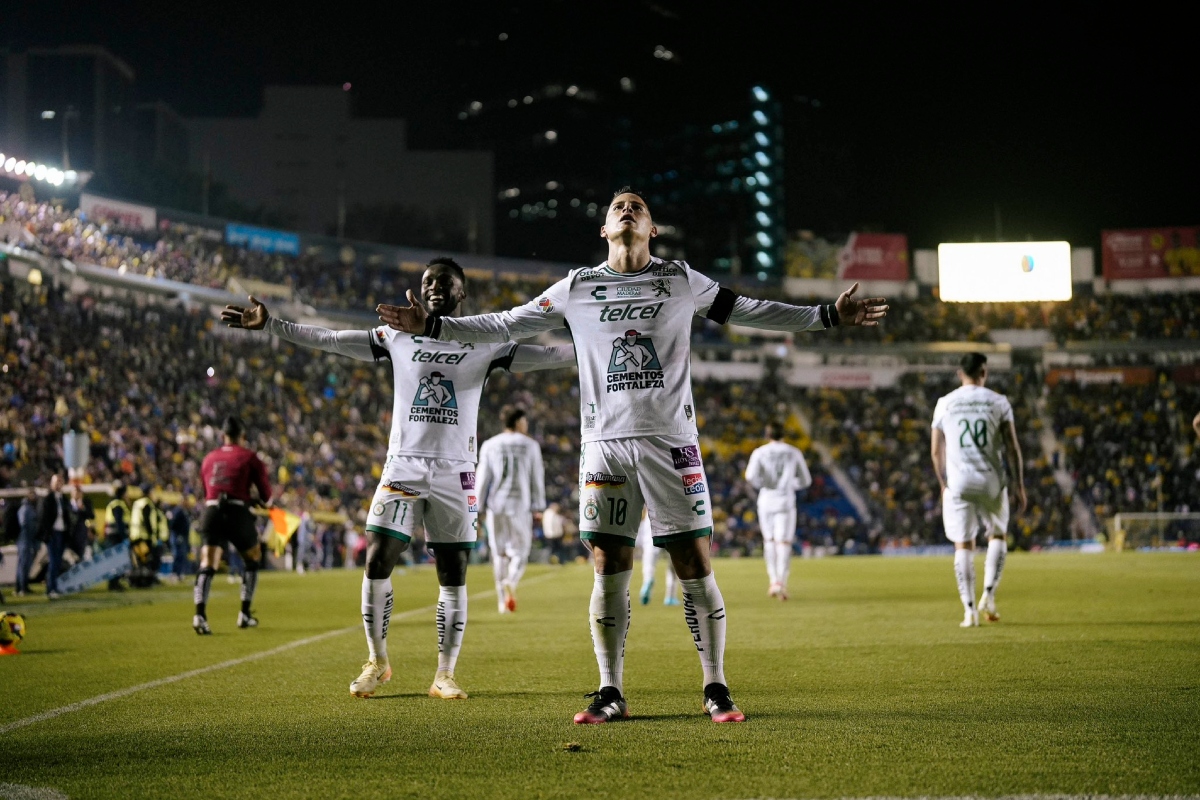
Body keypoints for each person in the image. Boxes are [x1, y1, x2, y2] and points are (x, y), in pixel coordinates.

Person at [378, 188, 888, 724]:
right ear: (603, 229)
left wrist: (826, 315)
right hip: (604, 448)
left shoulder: (680, 279)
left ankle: (715, 685)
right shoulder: (578, 286)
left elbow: (750, 310)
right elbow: (508, 322)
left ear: (652, 229)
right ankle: (609, 690)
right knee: (608, 567)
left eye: (638, 207)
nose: (627, 210)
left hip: (671, 443)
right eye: (618, 207)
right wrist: (435, 327)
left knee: (693, 562)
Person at [222, 256, 575, 701]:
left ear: (461, 292)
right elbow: (331, 339)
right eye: (428, 281)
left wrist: (599, 341)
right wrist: (274, 325)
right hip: (404, 464)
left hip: (456, 471)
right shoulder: (397, 335)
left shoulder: (488, 341)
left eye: (445, 282)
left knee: (453, 572)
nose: (434, 288)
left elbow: (548, 356)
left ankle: (444, 674)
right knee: (377, 558)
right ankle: (377, 661)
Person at [930, 352, 1026, 627]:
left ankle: (969, 611)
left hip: (958, 482)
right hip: (992, 481)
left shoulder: (945, 403)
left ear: (960, 373)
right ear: (984, 372)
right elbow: (1012, 447)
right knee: (997, 536)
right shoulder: (998, 402)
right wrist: (1019, 484)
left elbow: (936, 450)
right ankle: (989, 595)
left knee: (963, 544)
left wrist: (942, 484)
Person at [195, 416, 273, 634]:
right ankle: (244, 614)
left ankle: (199, 616)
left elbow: (207, 492)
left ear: (223, 436)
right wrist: (255, 499)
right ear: (243, 436)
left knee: (207, 563)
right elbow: (267, 495)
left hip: (211, 511)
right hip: (237, 512)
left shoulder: (208, 458)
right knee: (253, 558)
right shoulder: (249, 457)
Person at [476, 405, 546, 614]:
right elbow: (536, 476)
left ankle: (501, 602)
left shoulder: (490, 444)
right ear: (518, 422)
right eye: (524, 421)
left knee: (499, 554)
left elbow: (482, 477)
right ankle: (511, 582)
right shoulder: (530, 445)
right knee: (520, 553)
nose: (527, 425)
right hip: (520, 505)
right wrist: (538, 505)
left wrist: (477, 505)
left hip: (496, 505)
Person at [744, 422, 812, 601]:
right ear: (784, 434)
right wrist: (791, 485)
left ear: (767, 435)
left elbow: (750, 477)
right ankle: (781, 581)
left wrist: (764, 485)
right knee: (784, 542)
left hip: (766, 499)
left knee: (769, 541)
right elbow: (806, 480)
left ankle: (773, 580)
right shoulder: (793, 452)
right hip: (785, 501)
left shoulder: (759, 452)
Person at [37, 472, 74, 599]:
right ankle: (50, 588)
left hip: (62, 533)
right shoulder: (48, 499)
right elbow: (44, 518)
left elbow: (67, 516)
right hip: (53, 534)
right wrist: (46, 534)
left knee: (57, 562)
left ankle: (55, 587)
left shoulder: (63, 498)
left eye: (60, 481)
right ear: (52, 484)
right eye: (56, 481)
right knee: (53, 562)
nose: (58, 484)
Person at [636, 509, 680, 605]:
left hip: (652, 513)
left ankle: (648, 580)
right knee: (673, 556)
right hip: (671, 513)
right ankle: (670, 596)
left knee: (649, 552)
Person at [129, 485, 169, 587]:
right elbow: (147, 521)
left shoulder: (137, 503)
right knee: (146, 559)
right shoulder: (147, 503)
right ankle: (144, 582)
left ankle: (136, 581)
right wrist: (152, 534)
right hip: (143, 536)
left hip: (134, 535)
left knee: (139, 561)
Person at [102, 482, 131, 591]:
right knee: (116, 561)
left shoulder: (114, 503)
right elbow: (120, 523)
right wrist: (124, 537)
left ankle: (114, 583)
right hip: (116, 536)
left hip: (113, 536)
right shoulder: (118, 504)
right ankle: (114, 583)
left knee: (115, 561)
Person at [15, 488, 38, 597]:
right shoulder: (25, 508)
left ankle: (23, 586)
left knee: (25, 564)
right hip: (25, 540)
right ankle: (21, 588)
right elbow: (24, 524)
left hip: (28, 540)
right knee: (23, 564)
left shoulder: (29, 508)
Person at [167, 496, 194, 582]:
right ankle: (174, 573)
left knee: (182, 555)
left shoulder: (183, 511)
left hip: (182, 535)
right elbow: (173, 523)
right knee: (177, 555)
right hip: (178, 535)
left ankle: (179, 573)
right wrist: (178, 533)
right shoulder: (178, 511)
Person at [68, 484, 94, 561]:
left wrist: (83, 509)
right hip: (70, 535)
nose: (77, 494)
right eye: (75, 491)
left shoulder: (86, 503)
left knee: (80, 555)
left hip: (81, 535)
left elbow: (92, 516)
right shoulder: (67, 504)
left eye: (79, 492)